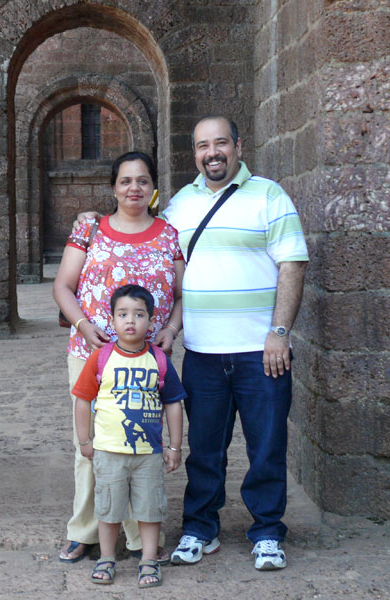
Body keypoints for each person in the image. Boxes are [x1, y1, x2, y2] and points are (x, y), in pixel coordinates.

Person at [74, 116, 309, 571]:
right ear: (195, 154)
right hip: (202, 351)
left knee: (267, 444)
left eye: (221, 143)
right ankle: (201, 527)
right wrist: (91, 218)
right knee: (205, 448)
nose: (213, 152)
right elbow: (137, 223)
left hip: (261, 351)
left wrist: (279, 333)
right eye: (203, 145)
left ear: (238, 146)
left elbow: (293, 265)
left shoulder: (269, 196)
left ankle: (266, 532)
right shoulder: (180, 206)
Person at [53, 151, 185, 565]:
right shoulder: (91, 230)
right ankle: (85, 529)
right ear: (113, 187)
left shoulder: (168, 234)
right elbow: (63, 286)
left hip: (147, 359)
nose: (134, 188)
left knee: (140, 444)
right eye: (126, 181)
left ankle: (135, 535)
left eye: (142, 181)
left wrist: (171, 328)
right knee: (91, 445)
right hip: (94, 355)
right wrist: (82, 325)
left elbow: (183, 295)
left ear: (153, 187)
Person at [71, 284, 185, 587]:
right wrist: (85, 441)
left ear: (151, 320)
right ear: (112, 319)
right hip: (109, 450)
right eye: (123, 314)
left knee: (149, 509)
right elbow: (83, 400)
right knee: (109, 509)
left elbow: (173, 404)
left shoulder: (159, 360)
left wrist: (175, 445)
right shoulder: (100, 359)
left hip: (148, 453)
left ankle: (148, 561)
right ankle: (106, 558)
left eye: (139, 314)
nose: (130, 320)